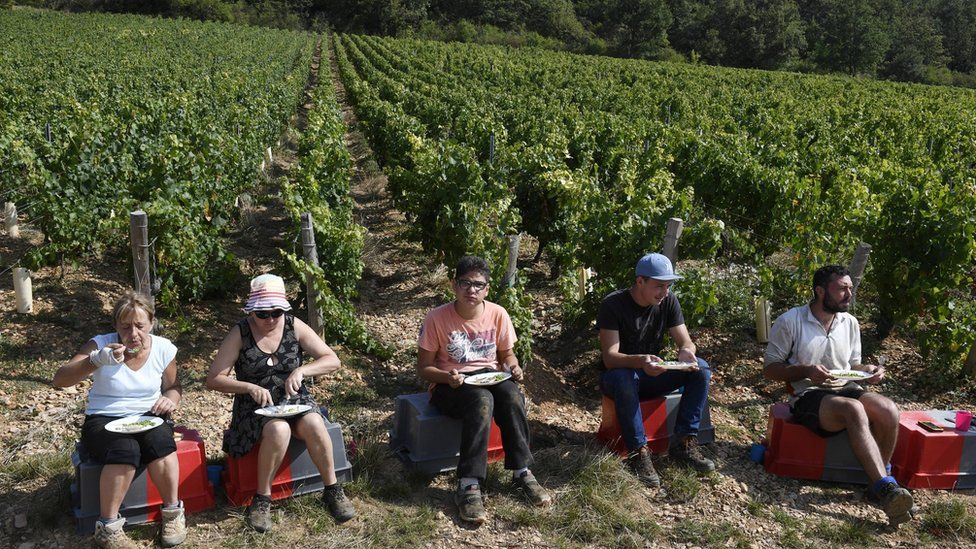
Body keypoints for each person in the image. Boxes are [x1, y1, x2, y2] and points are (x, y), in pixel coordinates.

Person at [764, 265, 912, 526]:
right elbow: (771, 369)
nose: (848, 294)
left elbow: (853, 366)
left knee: (888, 408)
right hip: (808, 394)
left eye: (850, 289)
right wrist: (806, 370)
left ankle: (879, 482)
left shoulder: (850, 322)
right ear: (820, 291)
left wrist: (870, 370)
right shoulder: (791, 321)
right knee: (853, 410)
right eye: (842, 289)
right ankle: (887, 489)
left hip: (846, 388)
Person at [206, 274, 355, 532]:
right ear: (252, 311)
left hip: (293, 399)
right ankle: (262, 499)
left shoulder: (292, 325)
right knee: (278, 429)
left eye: (277, 311)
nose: (271, 319)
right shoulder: (240, 332)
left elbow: (332, 359)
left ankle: (332, 489)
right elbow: (214, 379)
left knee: (314, 423)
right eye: (263, 313)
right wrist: (249, 387)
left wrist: (302, 371)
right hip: (255, 407)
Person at [417, 255, 551, 525]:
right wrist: (447, 376)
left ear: (487, 289)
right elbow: (424, 369)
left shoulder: (497, 313)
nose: (472, 290)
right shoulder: (437, 318)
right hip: (450, 383)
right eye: (465, 283)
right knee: (482, 401)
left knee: (512, 395)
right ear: (454, 285)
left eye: (478, 285)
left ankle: (522, 471)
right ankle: (468, 484)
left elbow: (507, 354)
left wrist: (513, 367)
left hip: (490, 375)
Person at [52, 291, 186, 549]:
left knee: (161, 443)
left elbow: (173, 386)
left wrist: (171, 400)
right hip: (104, 416)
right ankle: (108, 527)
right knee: (124, 450)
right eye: (125, 327)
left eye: (140, 326)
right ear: (115, 325)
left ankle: (173, 512)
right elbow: (60, 380)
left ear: (151, 322)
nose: (133, 333)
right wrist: (95, 360)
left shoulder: (163, 348)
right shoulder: (100, 344)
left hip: (147, 415)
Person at [598, 253, 715, 487]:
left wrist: (686, 351)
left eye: (668, 286)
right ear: (640, 281)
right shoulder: (613, 305)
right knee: (624, 377)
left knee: (700, 368)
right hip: (619, 376)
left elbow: (686, 341)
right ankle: (638, 452)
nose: (665, 292)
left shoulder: (668, 301)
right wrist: (642, 361)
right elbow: (610, 359)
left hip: (651, 372)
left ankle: (684, 442)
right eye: (659, 286)